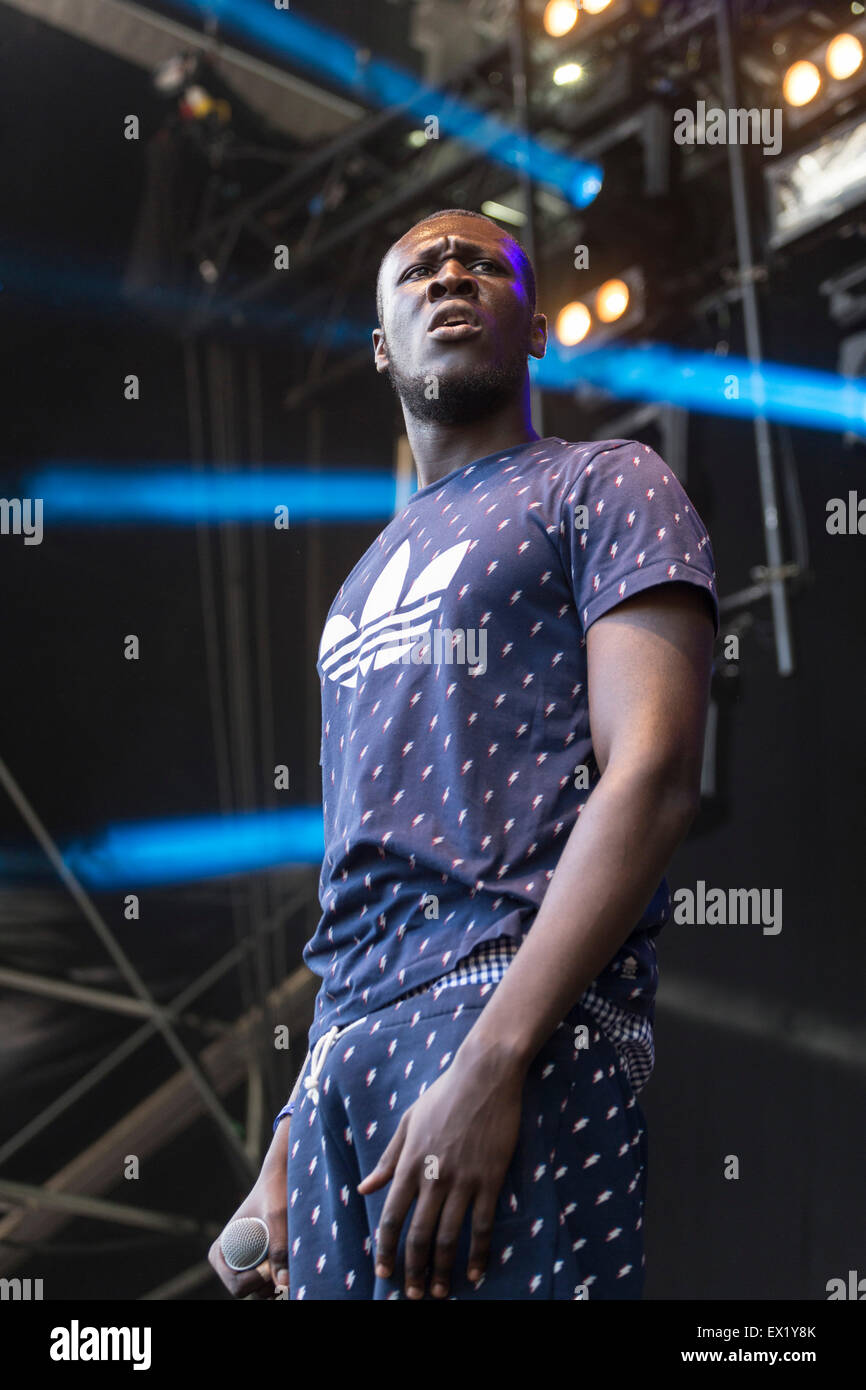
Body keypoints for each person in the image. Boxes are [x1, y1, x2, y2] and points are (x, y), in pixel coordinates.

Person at [209, 208, 719, 1301]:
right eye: (419, 269)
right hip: (348, 1066)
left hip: (513, 1024)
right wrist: (287, 1146)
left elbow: (651, 776)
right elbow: (358, 897)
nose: (450, 273)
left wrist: (492, 1062)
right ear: (381, 347)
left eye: (481, 264)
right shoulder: (352, 591)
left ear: (532, 326)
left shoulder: (604, 483)